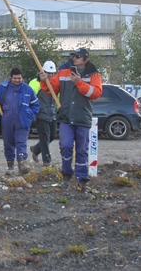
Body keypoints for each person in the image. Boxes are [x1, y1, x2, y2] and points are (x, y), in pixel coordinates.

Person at [39, 48, 102, 193]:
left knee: (82, 150)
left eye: (78, 56)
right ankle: (66, 174)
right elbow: (51, 91)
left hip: (83, 117)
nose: (74, 58)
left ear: (86, 59)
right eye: (73, 55)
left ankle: (82, 178)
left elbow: (95, 93)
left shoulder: (94, 74)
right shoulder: (63, 72)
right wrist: (44, 81)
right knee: (65, 146)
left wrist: (79, 82)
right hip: (66, 117)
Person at [0, 68, 40, 176]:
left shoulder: (28, 90)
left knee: (21, 142)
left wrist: (31, 116)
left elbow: (35, 105)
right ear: (11, 77)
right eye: (15, 78)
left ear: (22, 77)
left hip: (23, 120)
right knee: (8, 143)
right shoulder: (3, 88)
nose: (17, 80)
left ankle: (22, 165)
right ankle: (10, 166)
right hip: (7, 120)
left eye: (19, 78)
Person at [28, 61, 58, 167]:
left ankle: (35, 149)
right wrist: (33, 114)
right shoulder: (35, 83)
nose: (50, 75)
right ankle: (47, 161)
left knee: (52, 136)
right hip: (40, 114)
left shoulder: (54, 83)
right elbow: (29, 99)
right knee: (44, 138)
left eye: (52, 73)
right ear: (43, 71)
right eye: (48, 73)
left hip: (52, 114)